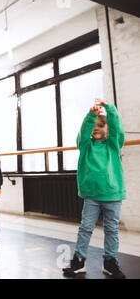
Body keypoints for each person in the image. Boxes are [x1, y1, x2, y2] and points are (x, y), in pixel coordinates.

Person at [62, 98, 126, 279]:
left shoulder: (113, 146)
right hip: (92, 196)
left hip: (112, 195)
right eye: (94, 126)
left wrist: (110, 109)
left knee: (111, 229)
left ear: (107, 130)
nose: (96, 128)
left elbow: (118, 130)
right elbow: (83, 133)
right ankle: (79, 260)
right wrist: (92, 115)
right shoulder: (86, 146)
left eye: (101, 125)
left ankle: (110, 261)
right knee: (85, 228)